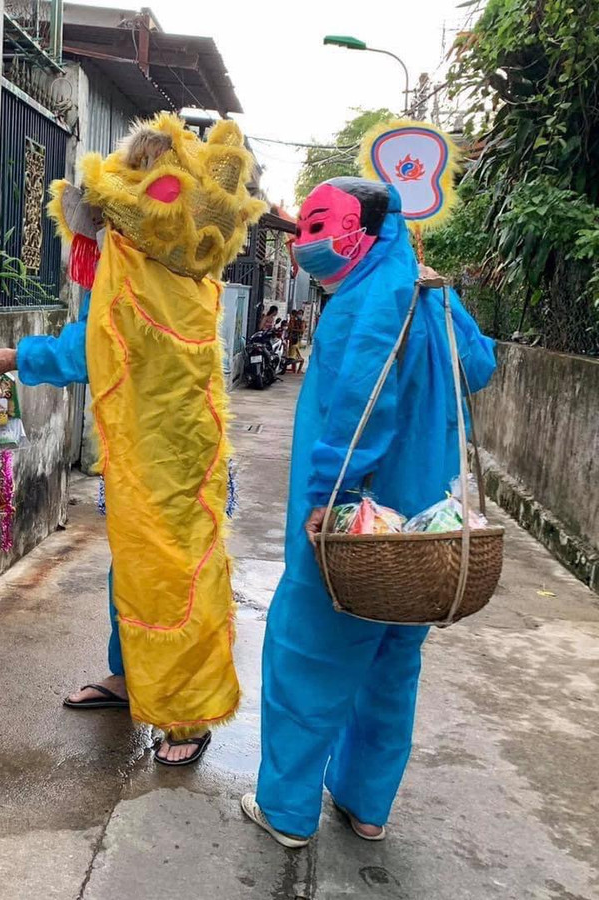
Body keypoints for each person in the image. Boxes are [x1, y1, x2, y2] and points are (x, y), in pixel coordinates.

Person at [0, 114, 266, 765]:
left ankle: (186, 715)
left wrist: (13, 354)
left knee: (177, 579)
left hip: (180, 457)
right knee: (135, 573)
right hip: (142, 454)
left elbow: (94, 347)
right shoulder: (151, 260)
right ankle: (129, 675)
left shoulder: (167, 268)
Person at [240, 177, 496, 846]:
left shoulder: (368, 299)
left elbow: (361, 408)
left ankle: (288, 811)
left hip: (357, 525)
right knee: (392, 665)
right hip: (426, 532)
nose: (305, 241)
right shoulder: (429, 292)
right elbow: (481, 367)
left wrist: (329, 496)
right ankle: (366, 804)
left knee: (308, 660)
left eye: (318, 225)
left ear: (364, 230)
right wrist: (447, 297)